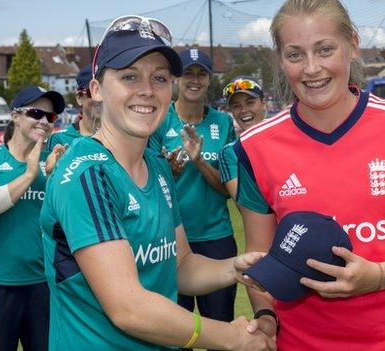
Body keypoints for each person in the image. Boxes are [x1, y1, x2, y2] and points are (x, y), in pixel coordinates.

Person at [235, 1, 385, 349]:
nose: (312, 68)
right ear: (279, 58)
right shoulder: (254, 147)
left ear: (353, 45)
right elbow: (261, 258)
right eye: (295, 55)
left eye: (325, 49)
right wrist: (267, 317)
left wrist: (377, 277)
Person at [40, 15, 274, 350]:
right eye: (129, 76)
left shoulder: (157, 165)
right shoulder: (86, 172)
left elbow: (178, 264)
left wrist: (232, 268)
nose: (147, 90)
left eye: (160, 78)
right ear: (96, 89)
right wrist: (228, 338)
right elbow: (129, 309)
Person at [0, 85, 66, 350]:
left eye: (51, 117)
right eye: (36, 113)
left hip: (43, 287)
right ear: (15, 116)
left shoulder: (55, 163)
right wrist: (29, 175)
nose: (44, 121)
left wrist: (53, 176)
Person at [148, 48, 238, 328]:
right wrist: (170, 174)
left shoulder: (222, 123)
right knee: (176, 331)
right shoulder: (159, 121)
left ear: (209, 79)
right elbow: (145, 186)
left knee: (220, 326)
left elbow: (227, 190)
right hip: (170, 239)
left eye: (202, 74)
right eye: (188, 73)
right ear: (177, 78)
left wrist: (198, 160)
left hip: (216, 238)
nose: (195, 80)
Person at [219, 76, 267, 199]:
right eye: (236, 106)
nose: (244, 110)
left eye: (250, 102)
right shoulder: (230, 152)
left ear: (264, 103)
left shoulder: (285, 137)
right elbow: (245, 204)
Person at [46, 64, 101, 150]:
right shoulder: (60, 139)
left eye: (105, 91)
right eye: (91, 93)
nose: (99, 98)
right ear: (79, 98)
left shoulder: (123, 136)